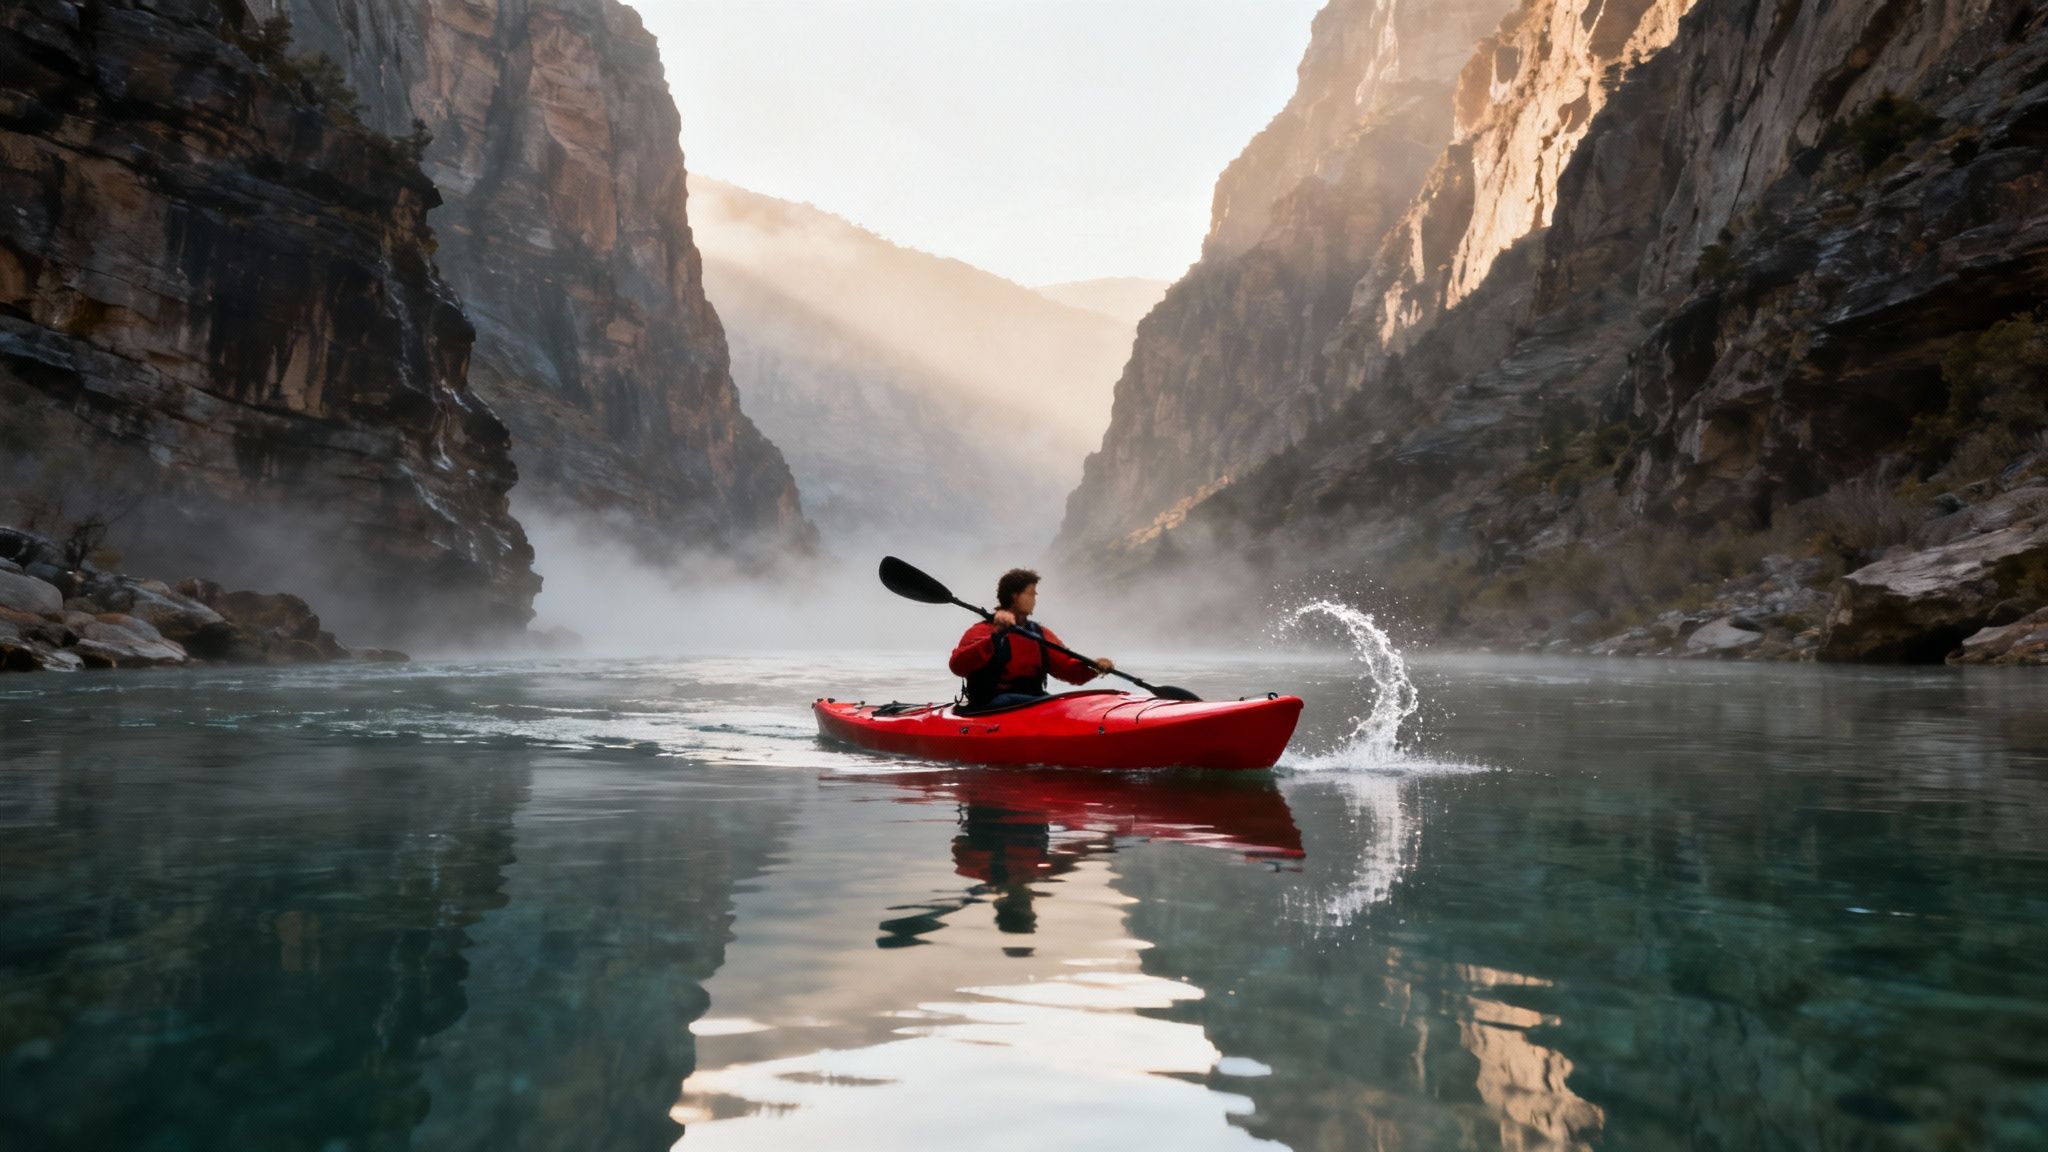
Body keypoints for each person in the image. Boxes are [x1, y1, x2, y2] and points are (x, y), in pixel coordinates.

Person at [947, 568, 1113, 709]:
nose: (1034, 600)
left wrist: (1094, 668)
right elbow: (957, 665)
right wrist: (996, 637)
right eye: (1031, 594)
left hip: (1032, 701)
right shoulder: (982, 631)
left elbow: (1067, 669)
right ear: (1015, 596)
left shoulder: (1039, 633)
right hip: (991, 705)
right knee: (1031, 702)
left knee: (1055, 703)